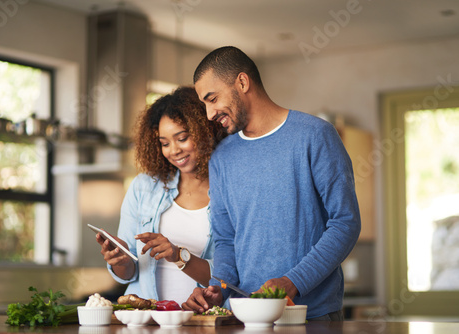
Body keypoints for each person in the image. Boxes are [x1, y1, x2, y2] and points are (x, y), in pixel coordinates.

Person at [182, 46, 361, 321]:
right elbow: (226, 240)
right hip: (245, 318)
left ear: (242, 82)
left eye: (212, 98)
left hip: (311, 316)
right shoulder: (221, 158)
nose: (209, 114)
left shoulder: (315, 136)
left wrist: (292, 282)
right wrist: (217, 288)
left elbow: (345, 223)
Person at [96, 86, 225, 305]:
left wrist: (178, 255)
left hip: (201, 320)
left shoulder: (230, 191)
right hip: (146, 320)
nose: (173, 150)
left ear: (205, 131)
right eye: (164, 143)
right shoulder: (143, 188)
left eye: (182, 138)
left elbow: (228, 279)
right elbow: (129, 272)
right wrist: (120, 259)